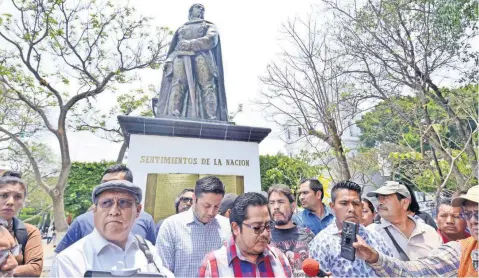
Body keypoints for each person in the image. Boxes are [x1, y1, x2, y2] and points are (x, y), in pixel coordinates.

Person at [50, 180, 173, 277]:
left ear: (138, 211)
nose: (114, 211)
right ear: (95, 210)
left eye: (123, 203)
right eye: (106, 203)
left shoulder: (148, 251)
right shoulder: (70, 261)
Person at [353, 185, 479, 277]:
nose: (473, 220)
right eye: (467, 214)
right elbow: (418, 271)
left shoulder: (428, 231)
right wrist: (375, 258)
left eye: (478, 214)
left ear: (405, 203)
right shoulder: (460, 251)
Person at [55, 164, 157, 253]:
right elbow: (61, 255)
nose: (114, 212)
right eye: (104, 184)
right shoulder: (82, 222)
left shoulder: (146, 220)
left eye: (115, 183)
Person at [157, 3, 228, 121]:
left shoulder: (209, 25)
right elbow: (175, 47)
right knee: (178, 84)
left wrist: (191, 44)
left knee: (208, 86)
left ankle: (211, 116)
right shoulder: (181, 28)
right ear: (191, 11)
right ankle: (174, 113)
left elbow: (211, 39)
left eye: (202, 8)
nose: (201, 9)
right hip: (180, 57)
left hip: (202, 56)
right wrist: (169, 60)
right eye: (198, 7)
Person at [309, 181, 393, 276]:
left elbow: (394, 272)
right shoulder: (321, 243)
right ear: (332, 207)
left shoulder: (376, 237)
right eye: (344, 203)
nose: (352, 209)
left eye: (356, 204)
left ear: (361, 207)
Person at [199, 192, 292, 277]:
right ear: (235, 228)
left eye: (268, 226)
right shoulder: (214, 264)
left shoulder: (279, 259)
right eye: (257, 227)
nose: (264, 233)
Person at [156, 176, 231, 277]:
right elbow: (163, 270)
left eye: (217, 206)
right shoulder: (171, 226)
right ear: (194, 198)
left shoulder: (227, 227)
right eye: (206, 205)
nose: (211, 212)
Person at [366, 181, 441, 260]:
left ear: (405, 203)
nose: (380, 202)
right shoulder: (371, 233)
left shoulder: (428, 232)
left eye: (385, 197)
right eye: (378, 198)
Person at [0, 172, 43, 276]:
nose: (10, 202)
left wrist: (7, 272)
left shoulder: (29, 231)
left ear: (23, 202)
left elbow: (35, 267)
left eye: (17, 197)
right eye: (4, 195)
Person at [267, 184, 314, 276]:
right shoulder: (264, 236)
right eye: (272, 203)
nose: (276, 207)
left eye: (281, 202)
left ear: (293, 206)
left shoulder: (308, 235)